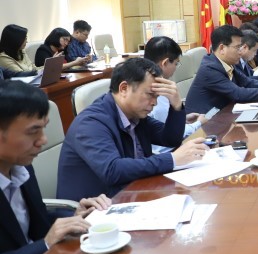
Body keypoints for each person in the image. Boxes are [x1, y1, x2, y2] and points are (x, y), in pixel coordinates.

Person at [0, 80, 112, 254]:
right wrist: (44, 244)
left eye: (43, 129)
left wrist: (74, 216)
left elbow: (32, 222)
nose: (43, 140)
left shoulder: (21, 166)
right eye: (33, 131)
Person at [57, 58, 209, 201]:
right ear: (124, 89)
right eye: (150, 95)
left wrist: (176, 106)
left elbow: (170, 139)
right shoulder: (91, 123)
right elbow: (112, 170)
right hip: (93, 210)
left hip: (133, 193)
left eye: (157, 96)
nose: (154, 103)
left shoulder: (135, 115)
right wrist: (172, 159)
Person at [185, 25, 258, 115]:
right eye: (237, 47)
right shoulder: (210, 68)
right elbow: (237, 93)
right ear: (222, 48)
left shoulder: (227, 63)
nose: (240, 51)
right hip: (205, 122)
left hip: (223, 113)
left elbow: (247, 82)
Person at [143, 36, 207, 154]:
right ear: (165, 63)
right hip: (163, 152)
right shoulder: (157, 88)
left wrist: (181, 119)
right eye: (176, 63)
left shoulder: (150, 80)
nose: (176, 68)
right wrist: (198, 123)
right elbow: (170, 134)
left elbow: (161, 121)